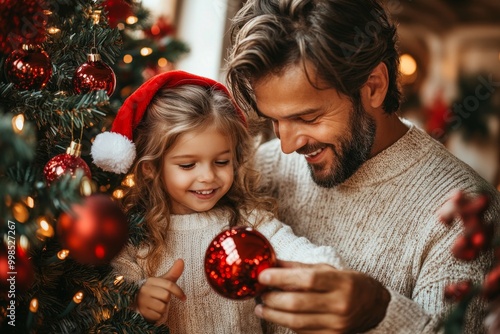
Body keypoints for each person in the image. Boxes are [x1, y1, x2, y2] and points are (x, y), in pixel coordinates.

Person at [225, 0, 500, 333]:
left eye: (308, 117)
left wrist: (381, 315)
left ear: (374, 86)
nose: (287, 145)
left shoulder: (463, 214)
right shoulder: (265, 167)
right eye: (275, 121)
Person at [90, 70, 345, 333]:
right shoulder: (136, 237)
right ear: (151, 168)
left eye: (221, 162)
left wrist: (324, 268)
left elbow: (291, 249)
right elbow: (109, 300)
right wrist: (139, 301)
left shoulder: (247, 222)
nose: (208, 176)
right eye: (188, 165)